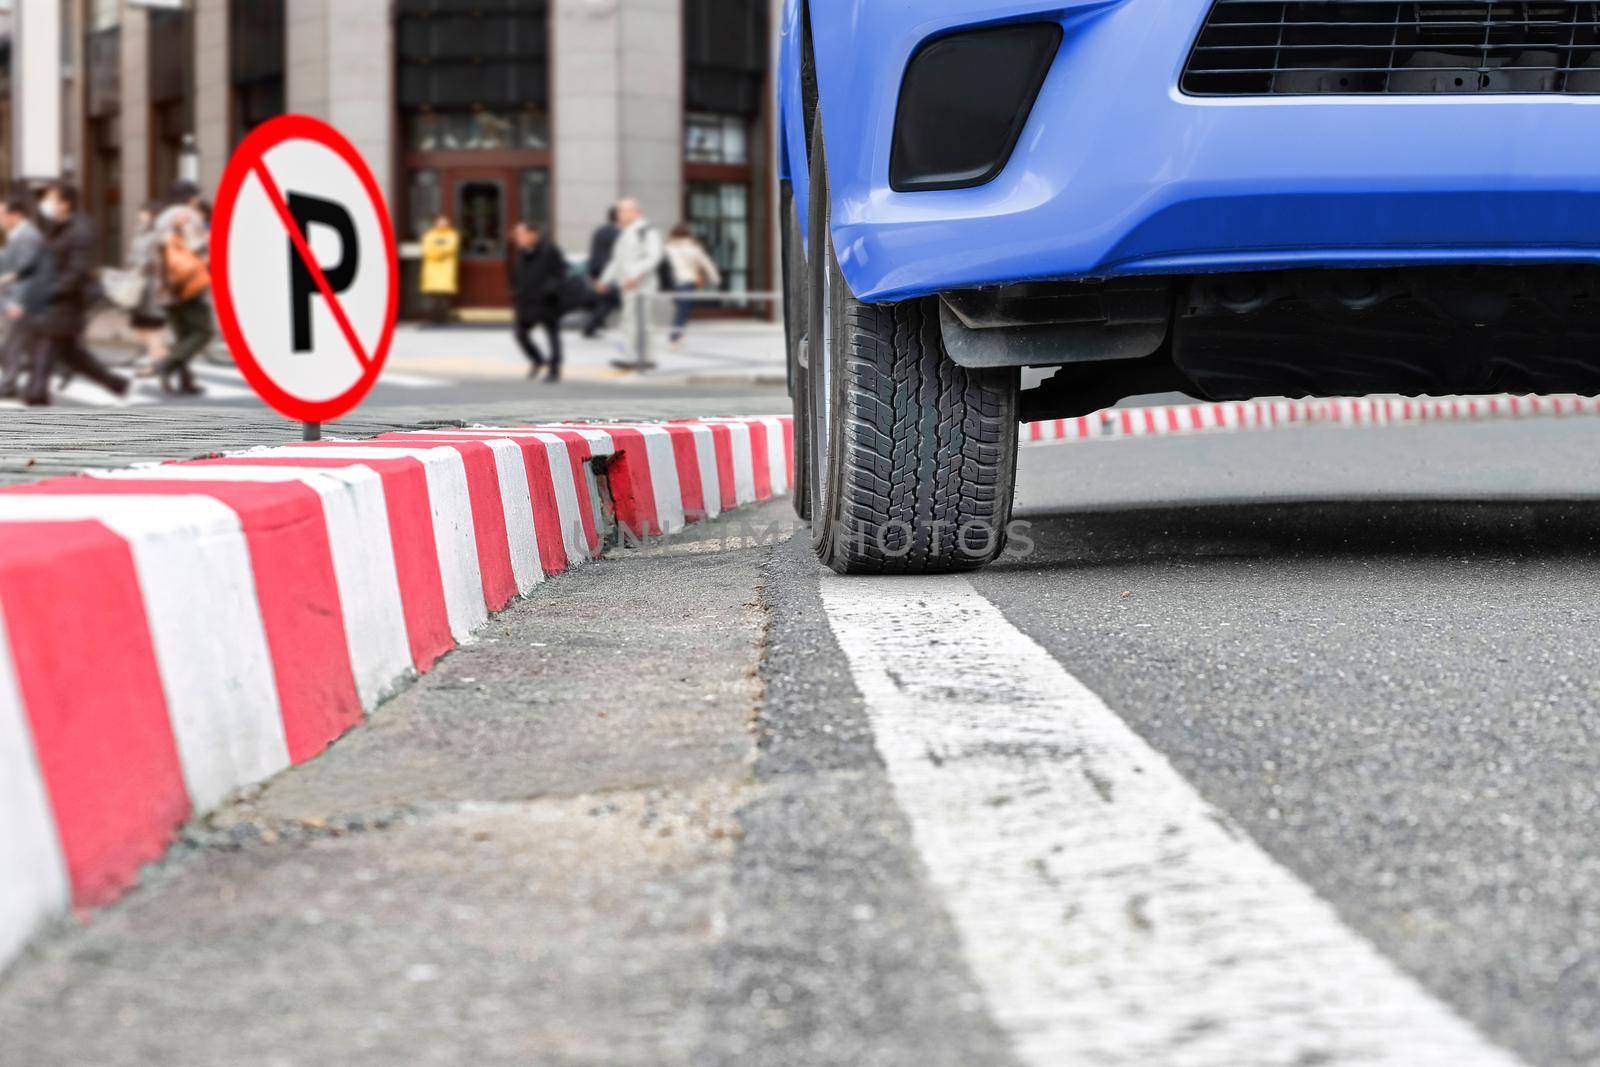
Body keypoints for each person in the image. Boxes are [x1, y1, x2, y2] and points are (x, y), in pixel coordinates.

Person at [13, 183, 129, 406]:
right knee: (71, 355)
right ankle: (116, 383)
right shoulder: (57, 226)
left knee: (40, 372)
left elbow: (76, 273)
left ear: (65, 204)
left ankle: (37, 413)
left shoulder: (81, 230)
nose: (45, 205)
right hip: (51, 306)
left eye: (50, 199)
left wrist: (46, 292)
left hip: (64, 306)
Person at [153, 181, 213, 397]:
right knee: (204, 332)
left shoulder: (161, 218)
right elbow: (195, 247)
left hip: (165, 285)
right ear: (189, 197)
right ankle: (167, 364)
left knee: (183, 335)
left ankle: (185, 381)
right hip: (187, 282)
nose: (197, 200)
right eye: (195, 196)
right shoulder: (188, 214)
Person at [596, 198, 664, 363]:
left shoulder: (646, 231)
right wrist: (604, 279)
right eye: (618, 210)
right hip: (627, 284)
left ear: (635, 212)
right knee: (630, 321)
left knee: (640, 322)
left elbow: (654, 257)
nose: (618, 214)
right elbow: (617, 261)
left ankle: (638, 358)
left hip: (641, 285)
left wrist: (636, 275)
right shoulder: (626, 232)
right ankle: (640, 358)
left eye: (622, 210)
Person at [507, 221, 568, 383]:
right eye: (517, 235)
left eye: (521, 234)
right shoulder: (522, 252)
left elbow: (561, 272)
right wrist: (516, 292)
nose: (518, 238)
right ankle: (538, 360)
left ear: (533, 234)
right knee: (520, 333)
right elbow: (516, 275)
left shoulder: (550, 250)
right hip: (526, 302)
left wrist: (550, 289)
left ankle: (554, 369)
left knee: (552, 335)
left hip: (547, 301)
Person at [0, 195, 45, 398]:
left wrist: (17, 302)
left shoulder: (27, 236)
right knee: (16, 342)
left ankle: (10, 384)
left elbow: (27, 271)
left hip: (20, 299)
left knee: (13, 341)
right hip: (13, 297)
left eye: (1, 215)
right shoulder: (17, 234)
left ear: (15, 215)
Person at [127, 202, 169, 377]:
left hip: (153, 285)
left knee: (151, 326)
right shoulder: (141, 232)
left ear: (152, 215)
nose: (140, 216)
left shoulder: (158, 235)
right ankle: (163, 358)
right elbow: (133, 256)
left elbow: (155, 260)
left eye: (143, 213)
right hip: (141, 285)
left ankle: (158, 362)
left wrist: (140, 265)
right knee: (141, 326)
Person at [663, 223, 722, 347]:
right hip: (688, 281)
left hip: (673, 282)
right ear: (688, 234)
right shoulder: (693, 247)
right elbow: (706, 263)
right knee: (683, 310)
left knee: (680, 309)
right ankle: (674, 338)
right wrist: (715, 278)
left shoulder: (668, 247)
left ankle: (678, 336)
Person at [582, 207, 621, 338]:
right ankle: (590, 327)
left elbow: (593, 252)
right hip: (611, 272)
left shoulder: (599, 231)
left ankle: (592, 326)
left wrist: (592, 272)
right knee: (611, 301)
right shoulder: (620, 233)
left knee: (607, 300)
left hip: (598, 270)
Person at [419, 215, 460, 324]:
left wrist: (436, 250)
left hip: (446, 269)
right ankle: (433, 317)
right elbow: (427, 250)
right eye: (440, 222)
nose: (442, 224)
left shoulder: (452, 235)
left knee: (445, 295)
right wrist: (441, 251)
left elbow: (451, 247)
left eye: (445, 222)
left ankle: (444, 317)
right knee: (433, 295)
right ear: (436, 223)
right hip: (432, 269)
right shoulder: (429, 235)